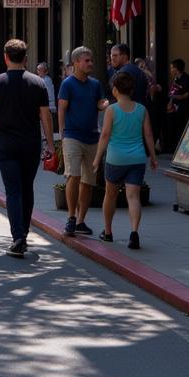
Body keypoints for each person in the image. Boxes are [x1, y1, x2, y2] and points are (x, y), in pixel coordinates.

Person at [0, 39, 53, 259]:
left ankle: (17, 237)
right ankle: (24, 232)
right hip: (30, 143)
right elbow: (45, 116)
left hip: (6, 143)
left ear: (5, 57)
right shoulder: (38, 82)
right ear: (25, 58)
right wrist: (50, 143)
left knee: (13, 189)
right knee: (27, 187)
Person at [93, 72, 158, 249]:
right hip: (137, 158)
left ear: (115, 90)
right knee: (133, 197)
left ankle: (107, 232)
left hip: (115, 158)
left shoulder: (111, 110)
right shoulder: (141, 109)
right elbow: (149, 134)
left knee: (110, 194)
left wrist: (98, 157)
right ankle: (134, 232)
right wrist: (152, 156)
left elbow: (105, 135)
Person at [57, 46, 108, 237]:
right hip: (72, 136)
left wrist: (104, 105)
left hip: (92, 137)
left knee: (88, 181)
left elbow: (99, 103)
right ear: (76, 62)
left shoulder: (95, 84)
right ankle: (71, 217)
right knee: (73, 175)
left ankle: (81, 221)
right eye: (86, 60)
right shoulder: (67, 84)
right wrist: (62, 134)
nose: (90, 63)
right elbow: (62, 108)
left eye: (91, 60)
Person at [165, 59, 189, 150]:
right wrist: (170, 102)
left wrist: (176, 97)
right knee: (173, 126)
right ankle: (173, 146)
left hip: (184, 108)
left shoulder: (186, 79)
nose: (171, 70)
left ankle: (182, 148)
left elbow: (186, 95)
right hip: (175, 107)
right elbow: (172, 93)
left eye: (172, 68)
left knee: (182, 127)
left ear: (176, 68)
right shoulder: (175, 79)